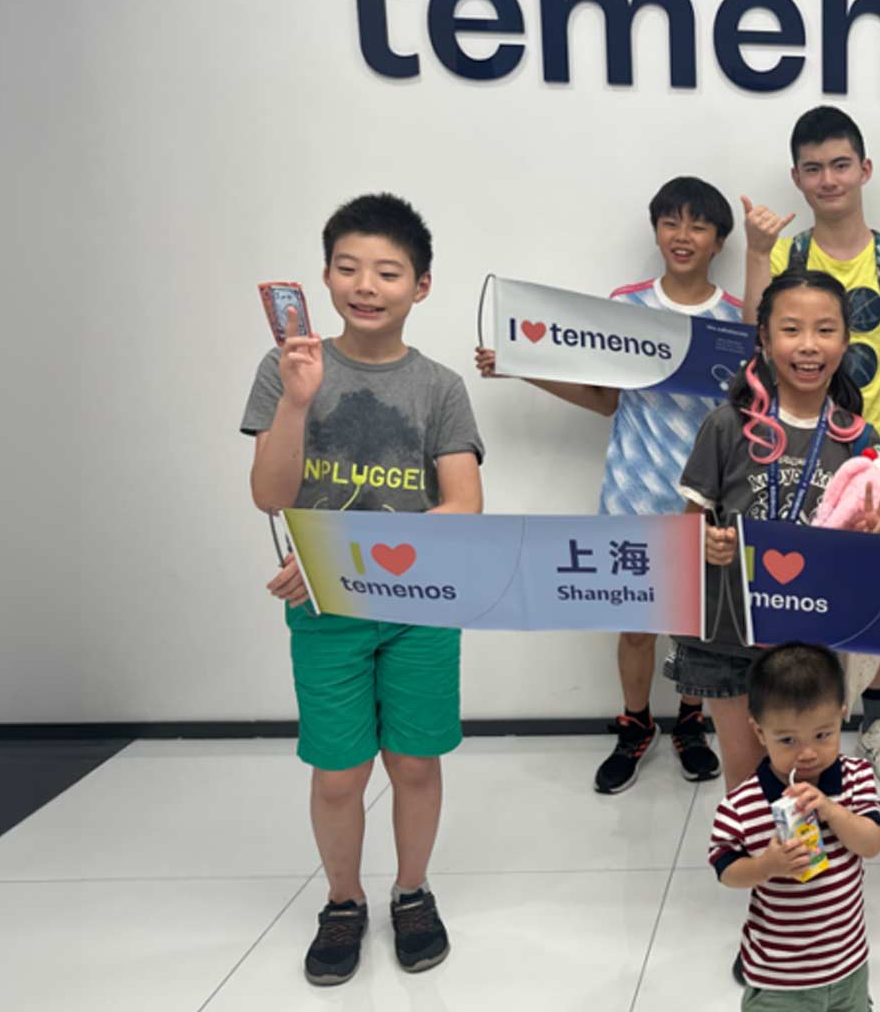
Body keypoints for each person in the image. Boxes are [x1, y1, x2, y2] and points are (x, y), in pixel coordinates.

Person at [243, 193, 482, 985]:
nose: (366, 285)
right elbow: (271, 495)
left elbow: (463, 506)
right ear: (324, 276)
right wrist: (299, 400)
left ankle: (411, 891)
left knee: (414, 763)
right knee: (339, 771)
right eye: (348, 268)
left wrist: (347, 556)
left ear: (422, 286)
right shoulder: (290, 369)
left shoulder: (441, 386)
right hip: (324, 612)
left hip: (420, 611)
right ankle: (342, 901)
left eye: (388, 271)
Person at [474, 176, 733, 793]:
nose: (682, 235)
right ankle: (637, 723)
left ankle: (691, 724)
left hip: (704, 503)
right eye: (671, 222)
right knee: (637, 624)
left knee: (696, 625)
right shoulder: (627, 308)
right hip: (632, 492)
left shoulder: (735, 319)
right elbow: (605, 401)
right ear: (656, 230)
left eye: (698, 225)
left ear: (719, 240)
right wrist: (523, 366)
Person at [740, 106, 880, 787]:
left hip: (871, 462)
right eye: (813, 168)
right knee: (801, 594)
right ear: (797, 178)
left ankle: (875, 726)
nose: (829, 179)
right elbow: (755, 341)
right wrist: (753, 253)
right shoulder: (788, 256)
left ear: (865, 169)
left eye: (840, 165)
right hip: (795, 453)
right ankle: (801, 729)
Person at [672, 270, 880, 792]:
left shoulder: (860, 439)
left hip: (814, 640)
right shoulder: (727, 424)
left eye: (825, 330)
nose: (809, 346)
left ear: (846, 340)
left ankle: (812, 874)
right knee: (748, 782)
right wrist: (707, 543)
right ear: (765, 341)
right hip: (730, 634)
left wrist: (878, 532)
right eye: (791, 330)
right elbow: (688, 530)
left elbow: (872, 553)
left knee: (808, 782)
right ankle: (760, 871)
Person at [709, 642, 880, 1009]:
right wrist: (766, 866)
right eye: (788, 740)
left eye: (823, 735)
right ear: (759, 733)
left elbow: (871, 844)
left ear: (841, 716)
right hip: (778, 978)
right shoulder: (741, 805)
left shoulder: (856, 778)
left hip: (849, 963)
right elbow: (726, 872)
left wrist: (832, 811)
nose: (807, 753)